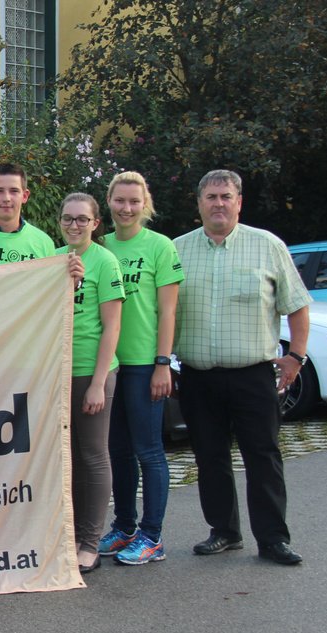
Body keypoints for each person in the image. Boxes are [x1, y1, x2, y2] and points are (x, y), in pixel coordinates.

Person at [173, 170, 311, 565]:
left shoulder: (267, 246)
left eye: (226, 196)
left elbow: (297, 305)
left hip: (253, 374)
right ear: (199, 203)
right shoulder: (177, 250)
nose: (218, 203)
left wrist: (296, 356)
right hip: (198, 375)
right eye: (211, 196)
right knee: (209, 456)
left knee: (262, 455)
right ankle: (224, 531)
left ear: (239, 202)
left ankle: (273, 539)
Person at [97, 172, 184, 566]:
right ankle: (125, 527)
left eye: (134, 201)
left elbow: (168, 311)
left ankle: (153, 536)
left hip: (145, 364)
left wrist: (163, 363)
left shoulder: (160, 246)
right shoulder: (100, 245)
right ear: (109, 202)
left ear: (145, 204)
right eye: (120, 200)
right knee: (118, 451)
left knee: (148, 451)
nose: (127, 208)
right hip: (110, 365)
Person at [57, 193, 125, 574]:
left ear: (96, 223)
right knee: (65, 458)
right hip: (58, 371)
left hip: (91, 371)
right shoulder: (54, 258)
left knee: (93, 455)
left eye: (82, 219)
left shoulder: (104, 261)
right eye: (68, 219)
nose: (74, 225)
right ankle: (69, 536)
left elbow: (111, 326)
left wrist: (99, 383)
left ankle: (90, 543)